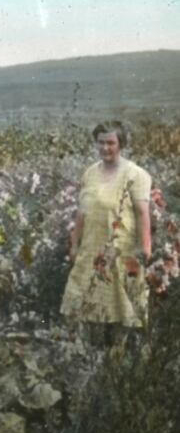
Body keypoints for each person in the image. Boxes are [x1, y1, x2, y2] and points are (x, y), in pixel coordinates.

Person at [62, 121, 152, 331]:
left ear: (121, 144)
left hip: (121, 248)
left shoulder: (136, 175)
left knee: (123, 306)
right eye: (101, 142)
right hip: (91, 248)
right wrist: (75, 243)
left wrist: (145, 247)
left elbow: (142, 213)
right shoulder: (90, 173)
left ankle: (122, 352)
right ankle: (91, 351)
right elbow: (82, 212)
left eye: (111, 143)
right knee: (84, 300)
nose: (105, 148)